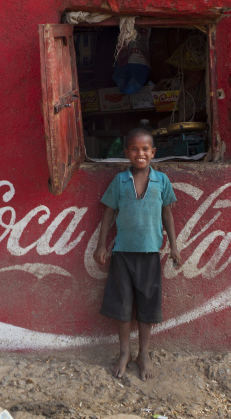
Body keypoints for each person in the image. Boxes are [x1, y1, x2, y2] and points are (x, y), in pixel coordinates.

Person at [93, 127, 181, 381]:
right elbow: (108, 213)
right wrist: (101, 246)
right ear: (126, 153)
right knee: (122, 307)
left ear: (153, 152)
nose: (139, 153)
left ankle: (144, 353)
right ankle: (124, 353)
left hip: (151, 252)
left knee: (147, 307)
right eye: (134, 149)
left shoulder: (161, 180)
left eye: (145, 149)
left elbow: (167, 214)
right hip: (122, 253)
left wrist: (173, 246)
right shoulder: (119, 181)